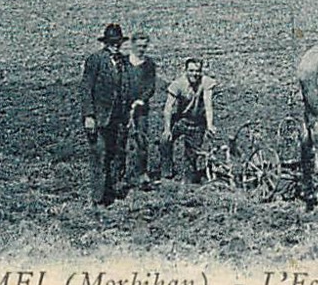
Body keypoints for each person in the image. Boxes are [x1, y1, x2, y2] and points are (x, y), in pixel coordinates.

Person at [79, 22, 131, 206]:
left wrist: (128, 113)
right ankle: (97, 199)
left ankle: (113, 193)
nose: (115, 45)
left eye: (118, 42)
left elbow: (126, 88)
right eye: (112, 42)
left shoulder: (124, 62)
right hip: (99, 118)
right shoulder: (95, 60)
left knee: (116, 155)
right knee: (99, 156)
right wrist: (89, 115)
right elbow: (86, 89)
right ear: (105, 42)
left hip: (118, 118)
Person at [161, 57, 216, 184]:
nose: (194, 74)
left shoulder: (206, 83)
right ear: (185, 70)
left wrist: (210, 125)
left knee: (191, 158)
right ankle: (166, 171)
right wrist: (167, 129)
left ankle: (189, 176)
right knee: (165, 141)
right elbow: (168, 107)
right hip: (181, 120)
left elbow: (208, 105)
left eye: (197, 71)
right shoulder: (178, 84)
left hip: (197, 123)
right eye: (191, 71)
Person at [125, 32, 161, 190]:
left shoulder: (149, 64)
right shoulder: (124, 62)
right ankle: (120, 174)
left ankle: (141, 173)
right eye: (138, 46)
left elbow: (151, 86)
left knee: (141, 139)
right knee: (121, 140)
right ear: (132, 45)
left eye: (144, 46)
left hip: (141, 109)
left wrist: (141, 100)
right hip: (122, 107)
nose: (141, 49)